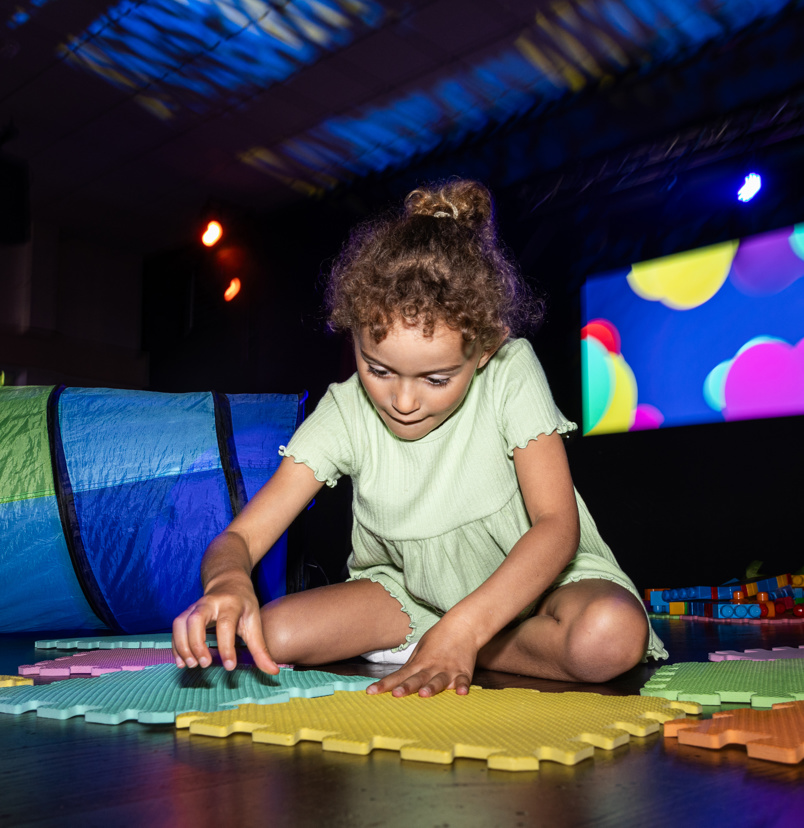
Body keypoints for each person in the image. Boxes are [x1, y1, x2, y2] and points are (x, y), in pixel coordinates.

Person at [172, 179, 667, 698]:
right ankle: (447, 639)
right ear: (355, 335)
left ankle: (460, 641)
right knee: (269, 635)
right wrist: (227, 583)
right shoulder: (345, 409)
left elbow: (555, 527)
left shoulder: (510, 368)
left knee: (609, 637)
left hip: (538, 591)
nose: (403, 401)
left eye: (435, 379)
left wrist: (466, 629)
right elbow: (241, 539)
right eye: (378, 368)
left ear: (482, 350)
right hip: (408, 594)